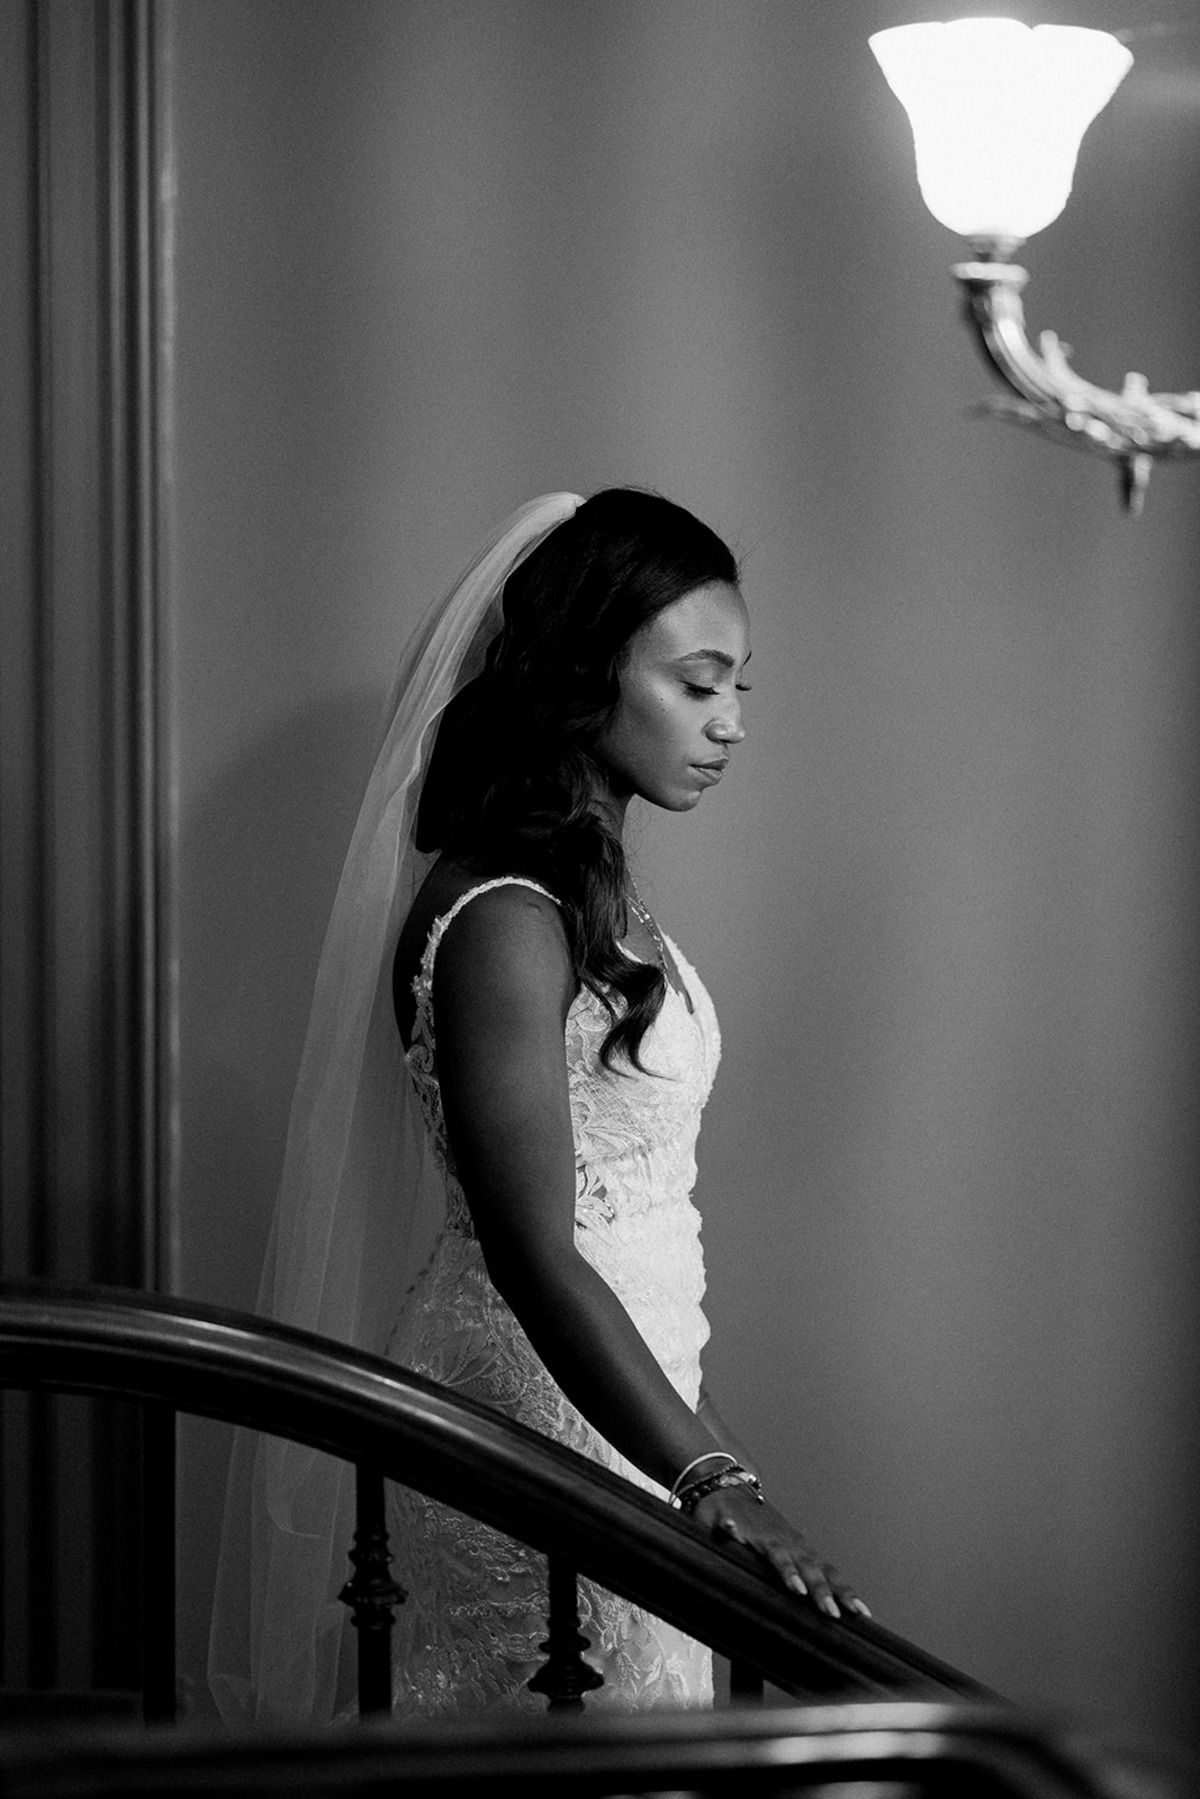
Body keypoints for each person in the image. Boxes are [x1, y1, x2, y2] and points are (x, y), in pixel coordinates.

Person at [209, 488, 865, 1727]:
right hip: (532, 1406)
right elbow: (530, 1240)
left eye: (741, 686)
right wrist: (714, 1472)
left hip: (632, 1395)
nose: (731, 723)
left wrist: (711, 1458)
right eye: (696, 682)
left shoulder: (592, 896)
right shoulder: (504, 919)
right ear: (585, 676)